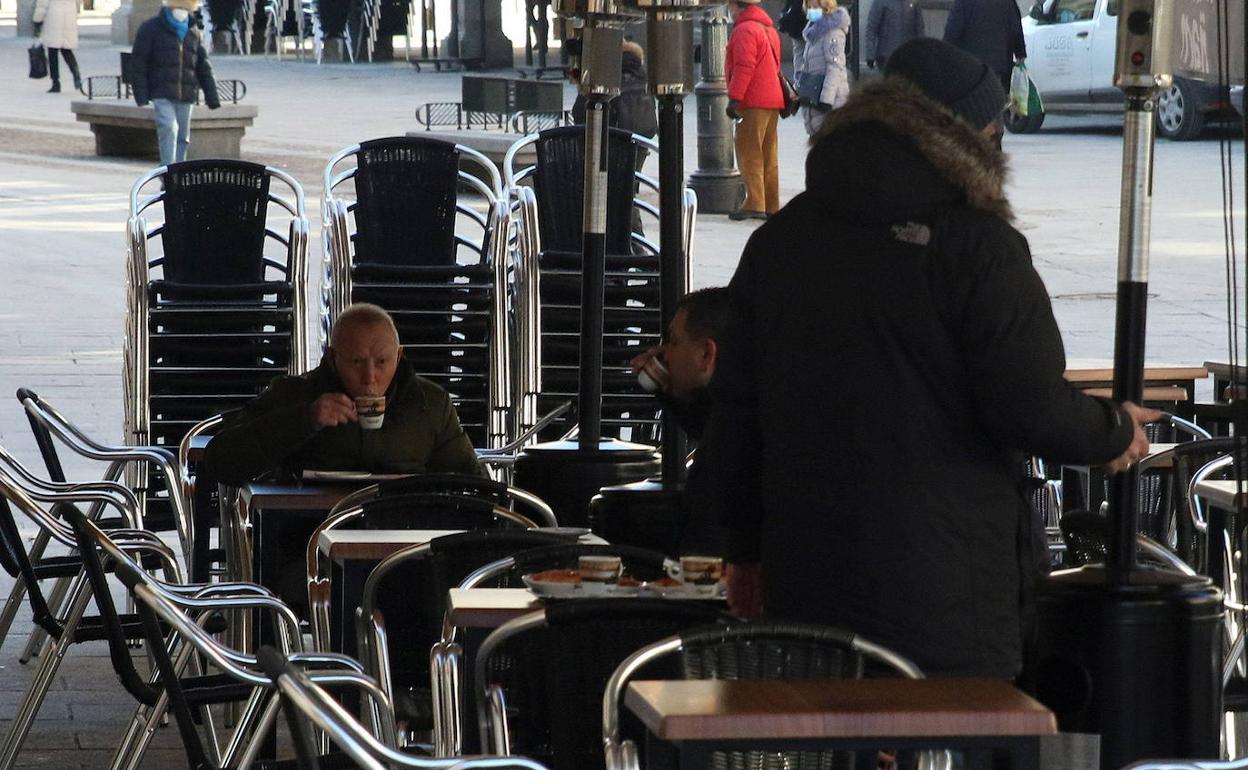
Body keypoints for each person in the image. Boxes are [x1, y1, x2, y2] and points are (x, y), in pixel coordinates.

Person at [696, 38, 1159, 679]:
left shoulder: (781, 241)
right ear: (968, 138)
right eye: (996, 128)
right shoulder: (978, 248)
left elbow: (737, 415)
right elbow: (1027, 406)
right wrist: (1114, 430)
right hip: (945, 597)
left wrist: (744, 550)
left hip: (809, 590)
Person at [205, 302, 482, 484]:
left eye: (382, 362)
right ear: (333, 358)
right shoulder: (296, 394)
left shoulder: (429, 403)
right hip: (309, 540)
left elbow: (471, 480)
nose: (369, 377)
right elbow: (220, 461)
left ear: (398, 358)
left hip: (405, 542)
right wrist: (305, 419)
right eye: (356, 362)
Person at [630, 287, 730, 554]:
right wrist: (667, 390)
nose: (664, 353)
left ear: (706, 355)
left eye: (673, 341)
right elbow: (707, 425)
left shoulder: (737, 445)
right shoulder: (747, 415)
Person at [571, 39, 658, 244]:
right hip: (640, 142)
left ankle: (631, 244)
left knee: (613, 193)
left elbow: (581, 112)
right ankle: (634, 243)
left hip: (613, 143)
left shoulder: (607, 77)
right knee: (629, 189)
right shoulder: (642, 76)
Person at [130, 0, 220, 167]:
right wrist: (141, 96)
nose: (181, 11)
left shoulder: (193, 31)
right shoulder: (151, 28)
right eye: (179, 7)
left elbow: (203, 66)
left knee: (182, 138)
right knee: (169, 129)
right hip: (161, 91)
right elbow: (138, 63)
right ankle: (168, 173)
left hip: (186, 93)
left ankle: (179, 175)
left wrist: (212, 96)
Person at [725, 0, 785, 222]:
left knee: (749, 151)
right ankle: (771, 204)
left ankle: (755, 202)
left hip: (753, 99)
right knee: (769, 154)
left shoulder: (745, 29)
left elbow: (744, 66)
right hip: (772, 99)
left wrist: (734, 98)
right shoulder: (768, 28)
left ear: (735, 6)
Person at [794, 0, 851, 136]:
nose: (812, 10)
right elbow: (807, 66)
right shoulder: (813, 32)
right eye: (809, 7)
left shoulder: (833, 33)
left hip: (830, 100)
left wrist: (826, 100)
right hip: (815, 96)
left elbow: (835, 67)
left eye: (816, 7)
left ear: (826, 7)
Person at [943, 0, 1026, 91]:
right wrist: (1020, 53)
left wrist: (943, 55)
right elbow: (1015, 28)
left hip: (969, 66)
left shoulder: (964, 2)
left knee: (970, 100)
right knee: (994, 99)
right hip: (996, 67)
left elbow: (952, 32)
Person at [33, 0, 81, 94]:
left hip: (53, 18)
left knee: (52, 52)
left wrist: (37, 20)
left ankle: (55, 83)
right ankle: (76, 73)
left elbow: (42, 5)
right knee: (67, 50)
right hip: (69, 16)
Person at [864, 0, 924, 71]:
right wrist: (870, 55)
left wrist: (921, 52)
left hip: (908, 55)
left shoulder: (914, 2)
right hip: (886, 56)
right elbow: (872, 28)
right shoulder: (881, 2)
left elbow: (919, 28)